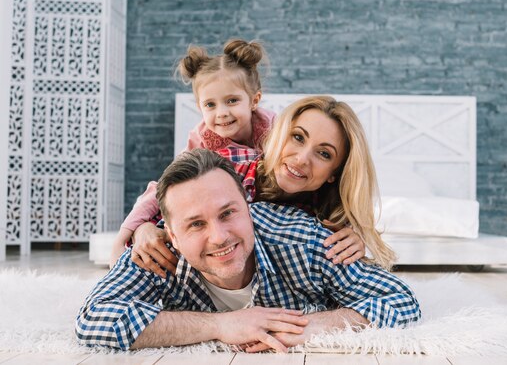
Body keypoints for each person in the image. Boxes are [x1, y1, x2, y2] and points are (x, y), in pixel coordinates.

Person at [75, 149, 421, 351]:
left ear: (249, 204)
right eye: (196, 224)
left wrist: (308, 327)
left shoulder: (301, 239)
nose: (220, 237)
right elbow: (93, 320)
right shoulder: (157, 252)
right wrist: (221, 326)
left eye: (229, 213)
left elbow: (400, 300)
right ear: (173, 235)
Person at [130, 96, 396, 280]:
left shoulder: (329, 221)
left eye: (324, 154)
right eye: (298, 137)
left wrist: (359, 242)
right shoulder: (229, 167)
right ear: (280, 133)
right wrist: (143, 227)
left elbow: (375, 281)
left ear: (334, 173)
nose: (302, 158)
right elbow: (174, 204)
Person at [109, 39, 274, 266]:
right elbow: (166, 185)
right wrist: (126, 232)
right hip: (215, 208)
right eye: (210, 105)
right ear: (199, 107)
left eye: (232, 101)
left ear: (254, 100)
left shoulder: (274, 131)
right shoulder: (202, 138)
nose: (222, 113)